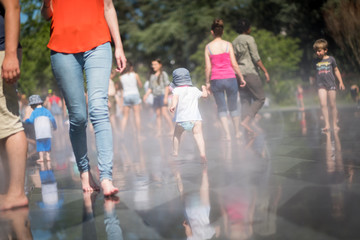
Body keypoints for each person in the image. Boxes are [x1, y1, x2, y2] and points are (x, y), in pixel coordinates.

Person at [41, 0, 127, 196]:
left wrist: (119, 46)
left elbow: (108, 7)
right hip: (62, 49)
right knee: (78, 117)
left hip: (98, 43)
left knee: (99, 109)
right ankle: (84, 170)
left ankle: (106, 176)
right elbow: (46, 14)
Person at [0, 0, 28, 210]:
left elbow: (13, 5)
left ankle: (16, 192)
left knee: (8, 122)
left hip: (1, 51)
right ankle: (9, 190)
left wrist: (10, 54)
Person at [205, 19, 246, 141]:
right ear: (222, 32)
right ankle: (237, 132)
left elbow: (208, 67)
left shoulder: (208, 47)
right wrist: (241, 77)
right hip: (230, 78)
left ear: (212, 32)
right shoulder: (228, 45)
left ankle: (227, 135)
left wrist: (207, 83)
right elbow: (234, 64)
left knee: (221, 107)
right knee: (233, 106)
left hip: (216, 80)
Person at [232, 19, 270, 135]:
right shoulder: (249, 39)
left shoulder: (234, 42)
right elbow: (255, 57)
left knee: (245, 101)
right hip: (250, 72)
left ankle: (245, 131)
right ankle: (246, 122)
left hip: (239, 74)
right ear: (247, 28)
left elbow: (234, 60)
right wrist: (265, 71)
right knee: (260, 98)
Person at [169, 68, 208, 162]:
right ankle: (202, 154)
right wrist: (204, 88)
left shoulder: (176, 90)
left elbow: (175, 98)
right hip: (195, 119)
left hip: (182, 120)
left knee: (177, 134)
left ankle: (175, 152)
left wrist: (173, 105)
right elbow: (205, 95)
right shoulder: (194, 89)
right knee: (199, 135)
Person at [313, 39, 345, 132]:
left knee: (332, 104)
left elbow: (336, 70)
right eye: (316, 51)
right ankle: (327, 124)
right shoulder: (315, 61)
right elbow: (315, 74)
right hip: (320, 85)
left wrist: (341, 82)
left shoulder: (331, 59)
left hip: (331, 84)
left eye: (319, 51)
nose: (317, 53)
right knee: (323, 104)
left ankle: (334, 124)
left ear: (325, 50)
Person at [143, 58, 173, 136]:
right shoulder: (152, 76)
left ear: (160, 65)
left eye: (155, 64)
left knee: (164, 113)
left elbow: (167, 86)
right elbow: (150, 88)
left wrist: (166, 97)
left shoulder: (163, 74)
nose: (153, 66)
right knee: (158, 114)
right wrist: (146, 95)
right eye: (152, 64)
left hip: (162, 95)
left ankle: (172, 129)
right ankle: (159, 131)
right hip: (155, 96)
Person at [25, 95, 57, 162]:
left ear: (33, 105)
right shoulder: (46, 111)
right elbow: (52, 119)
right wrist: (54, 127)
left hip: (39, 132)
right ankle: (48, 157)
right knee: (47, 143)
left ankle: (41, 158)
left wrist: (26, 120)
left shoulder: (34, 112)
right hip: (47, 131)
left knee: (40, 145)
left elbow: (31, 121)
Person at [119, 61, 143, 135]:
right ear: (131, 67)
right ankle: (138, 132)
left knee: (125, 116)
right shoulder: (135, 75)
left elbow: (121, 88)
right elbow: (140, 85)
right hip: (135, 94)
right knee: (137, 115)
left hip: (126, 96)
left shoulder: (121, 77)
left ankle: (122, 133)